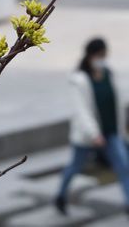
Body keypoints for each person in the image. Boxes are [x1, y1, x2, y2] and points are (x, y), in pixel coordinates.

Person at [55, 38, 129, 215]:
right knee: (74, 167)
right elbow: (81, 111)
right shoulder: (79, 80)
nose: (102, 59)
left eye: (104, 55)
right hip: (87, 136)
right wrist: (94, 134)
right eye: (99, 55)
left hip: (111, 132)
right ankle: (61, 196)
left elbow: (116, 102)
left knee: (124, 166)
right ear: (90, 55)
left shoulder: (108, 74)